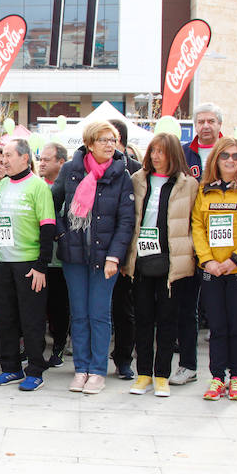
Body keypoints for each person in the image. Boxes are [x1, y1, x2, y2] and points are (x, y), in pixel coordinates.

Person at [53, 121, 134, 394]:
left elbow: (126, 221)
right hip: (74, 255)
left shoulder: (122, 174)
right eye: (103, 140)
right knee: (79, 315)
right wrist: (62, 236)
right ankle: (81, 368)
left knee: (99, 314)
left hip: (105, 257)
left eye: (113, 140)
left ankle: (98, 370)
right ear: (89, 143)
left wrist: (115, 256)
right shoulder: (70, 170)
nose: (110, 145)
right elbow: (52, 206)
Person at [121, 133, 198, 398]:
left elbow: (194, 223)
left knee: (168, 322)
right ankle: (143, 374)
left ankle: (162, 375)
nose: (155, 156)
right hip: (141, 261)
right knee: (142, 320)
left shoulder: (188, 185)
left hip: (172, 262)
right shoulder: (138, 180)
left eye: (161, 152)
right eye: (153, 151)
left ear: (173, 154)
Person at [191, 137, 237, 401]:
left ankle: (236, 377)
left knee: (236, 325)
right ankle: (217, 377)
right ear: (216, 160)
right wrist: (208, 260)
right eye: (225, 156)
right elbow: (197, 226)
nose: (231, 160)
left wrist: (234, 260)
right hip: (211, 269)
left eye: (236, 156)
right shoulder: (205, 189)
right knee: (217, 327)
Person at [0, 139, 55, 390]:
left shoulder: (38, 186)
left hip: (29, 264)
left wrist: (41, 266)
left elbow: (48, 228)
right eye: (2, 155)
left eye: (8, 155)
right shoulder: (2, 185)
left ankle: (35, 370)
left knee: (32, 320)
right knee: (6, 319)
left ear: (25, 158)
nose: (4, 160)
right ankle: (11, 368)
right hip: (3, 262)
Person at [172, 102, 227, 386]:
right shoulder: (184, 153)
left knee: (222, 311)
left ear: (220, 125)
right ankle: (188, 366)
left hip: (224, 244)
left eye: (211, 121)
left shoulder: (231, 151)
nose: (205, 126)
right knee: (187, 309)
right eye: (201, 121)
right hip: (189, 241)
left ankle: (226, 371)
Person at [108, 119, 141, 381]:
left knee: (124, 310)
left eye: (110, 138)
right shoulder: (87, 169)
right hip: (96, 252)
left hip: (125, 254)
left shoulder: (137, 172)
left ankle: (123, 360)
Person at [38, 142, 70, 366]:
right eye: (40, 158)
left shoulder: (71, 188)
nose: (41, 163)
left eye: (47, 159)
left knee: (60, 307)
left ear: (61, 162)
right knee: (38, 307)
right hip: (38, 259)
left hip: (62, 260)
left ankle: (59, 346)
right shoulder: (36, 186)